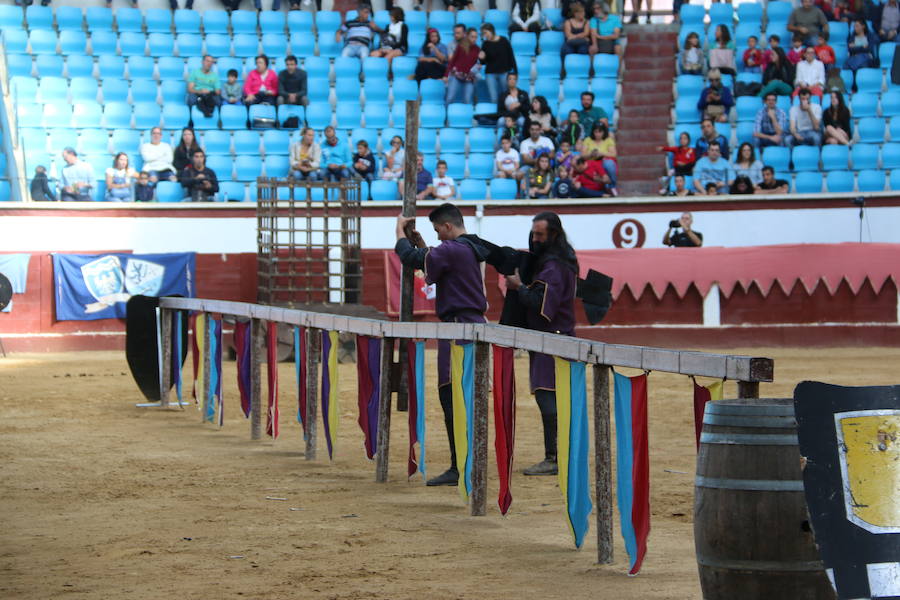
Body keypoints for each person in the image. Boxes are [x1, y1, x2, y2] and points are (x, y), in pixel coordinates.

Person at [394, 204, 488, 486]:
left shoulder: (453, 249)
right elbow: (429, 260)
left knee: (452, 398)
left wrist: (399, 231)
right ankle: (465, 464)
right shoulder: (467, 247)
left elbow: (410, 258)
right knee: (465, 398)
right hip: (470, 326)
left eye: (437, 231)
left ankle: (460, 467)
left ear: (447, 226)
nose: (437, 237)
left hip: (458, 329)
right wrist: (424, 245)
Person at [503, 212, 578, 475]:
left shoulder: (554, 267)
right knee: (551, 398)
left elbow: (541, 303)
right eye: (533, 234)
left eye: (540, 235)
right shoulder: (555, 262)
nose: (534, 239)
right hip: (551, 339)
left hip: (553, 340)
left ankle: (555, 457)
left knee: (549, 398)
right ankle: (559, 455)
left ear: (553, 235)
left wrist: (518, 287)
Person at [478, 23, 516, 105]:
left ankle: (507, 114)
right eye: (483, 34)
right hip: (490, 73)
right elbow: (483, 62)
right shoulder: (485, 44)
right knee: (493, 98)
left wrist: (515, 71)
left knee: (506, 95)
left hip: (504, 72)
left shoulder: (504, 40)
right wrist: (481, 58)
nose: (485, 35)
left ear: (491, 31)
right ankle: (496, 116)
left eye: (485, 33)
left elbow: (511, 55)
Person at [445, 25, 479, 104]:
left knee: (467, 100)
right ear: (467, 36)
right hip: (457, 75)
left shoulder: (477, 49)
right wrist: (446, 75)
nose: (474, 39)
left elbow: (479, 64)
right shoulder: (460, 47)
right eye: (472, 37)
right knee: (450, 98)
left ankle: (467, 115)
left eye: (476, 37)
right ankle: (446, 115)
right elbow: (452, 61)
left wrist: (482, 59)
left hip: (469, 78)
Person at [581, 122, 617, 192]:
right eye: (596, 132)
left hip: (604, 163)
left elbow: (614, 154)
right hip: (591, 163)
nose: (598, 134)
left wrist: (601, 154)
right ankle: (605, 187)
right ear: (593, 132)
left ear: (604, 132)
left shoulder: (608, 140)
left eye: (600, 132)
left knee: (609, 163)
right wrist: (591, 154)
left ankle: (613, 186)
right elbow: (582, 155)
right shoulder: (588, 140)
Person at [845, 19, 879, 88]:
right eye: (854, 26)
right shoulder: (852, 37)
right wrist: (862, 47)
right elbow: (850, 49)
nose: (855, 28)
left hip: (866, 58)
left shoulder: (869, 36)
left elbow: (869, 48)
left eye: (857, 26)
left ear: (863, 26)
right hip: (854, 57)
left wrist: (856, 46)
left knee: (863, 65)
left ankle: (860, 86)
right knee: (846, 65)